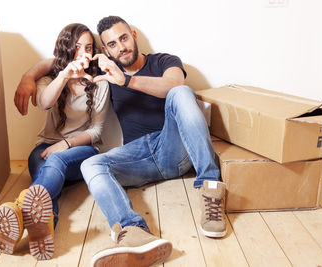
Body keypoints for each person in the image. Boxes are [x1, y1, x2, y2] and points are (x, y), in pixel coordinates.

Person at [15, 16, 226, 267]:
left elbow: (174, 84)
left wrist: (127, 80)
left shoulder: (163, 61)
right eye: (112, 44)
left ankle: (211, 187)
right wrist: (28, 75)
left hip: (172, 146)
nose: (120, 47)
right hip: (137, 156)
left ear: (133, 35)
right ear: (105, 50)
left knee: (182, 92)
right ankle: (132, 231)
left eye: (123, 38)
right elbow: (61, 59)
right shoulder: (104, 71)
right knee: (90, 165)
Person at [0, 23, 110, 261]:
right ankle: (43, 229)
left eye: (88, 47)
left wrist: (64, 145)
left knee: (52, 165)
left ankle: (17, 207)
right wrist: (65, 75)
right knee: (44, 194)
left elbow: (96, 131)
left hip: (81, 150)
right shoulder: (50, 79)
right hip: (44, 149)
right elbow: (43, 103)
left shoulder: (100, 82)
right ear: (66, 49)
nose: (84, 54)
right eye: (77, 48)